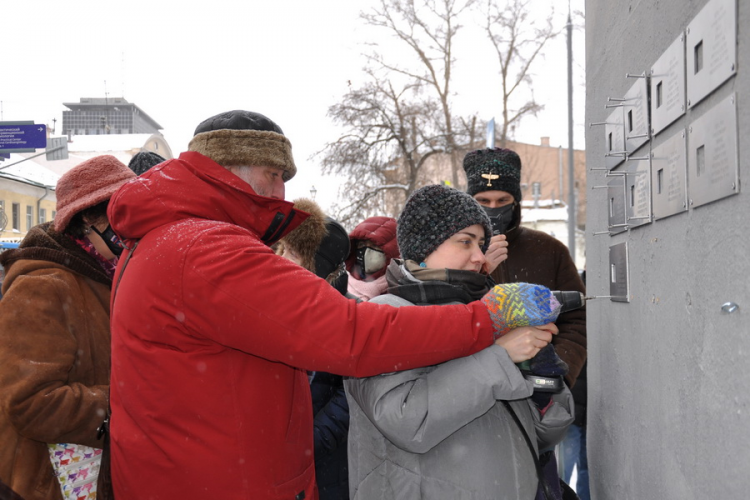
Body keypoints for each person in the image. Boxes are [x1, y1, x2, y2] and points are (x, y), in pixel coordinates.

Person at [106, 110, 553, 500]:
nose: (281, 193)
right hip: (223, 484)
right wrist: (488, 317)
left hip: (187, 476)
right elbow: (352, 336)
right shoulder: (206, 249)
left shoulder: (164, 240)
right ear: (233, 169)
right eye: (275, 175)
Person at [345, 184, 574, 500]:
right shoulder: (382, 317)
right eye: (465, 242)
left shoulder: (490, 313)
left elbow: (545, 434)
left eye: (481, 243)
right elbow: (406, 421)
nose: (479, 256)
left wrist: (544, 382)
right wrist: (502, 359)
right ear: (423, 249)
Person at [0, 155, 136, 500]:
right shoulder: (45, 285)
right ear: (88, 218)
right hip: (45, 482)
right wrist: (134, 402)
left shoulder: (106, 273)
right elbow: (31, 403)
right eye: (122, 217)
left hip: (92, 473)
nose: (134, 230)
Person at [463, 147, 587, 386]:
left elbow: (577, 321)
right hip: (476, 384)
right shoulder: (456, 250)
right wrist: (478, 267)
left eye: (502, 200)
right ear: (471, 202)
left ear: (515, 202)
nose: (493, 208)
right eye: (483, 201)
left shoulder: (548, 249)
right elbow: (447, 311)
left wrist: (559, 371)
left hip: (539, 383)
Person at [276, 198, 352, 500]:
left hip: (326, 467)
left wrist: (311, 438)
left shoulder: (342, 317)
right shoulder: (267, 306)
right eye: (282, 249)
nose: (282, 258)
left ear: (316, 266)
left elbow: (348, 395)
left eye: (292, 253)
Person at [344, 216, 399, 300]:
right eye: (361, 245)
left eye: (374, 245)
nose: (366, 252)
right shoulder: (339, 287)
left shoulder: (401, 292)